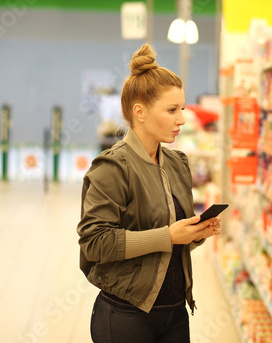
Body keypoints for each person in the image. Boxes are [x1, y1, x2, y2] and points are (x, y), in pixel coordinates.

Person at [77, 44, 221, 343]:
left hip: (176, 312)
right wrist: (168, 236)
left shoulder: (177, 163)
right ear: (139, 112)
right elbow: (95, 243)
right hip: (125, 316)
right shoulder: (112, 167)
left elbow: (169, 242)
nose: (182, 119)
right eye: (172, 110)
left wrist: (195, 233)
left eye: (182, 108)